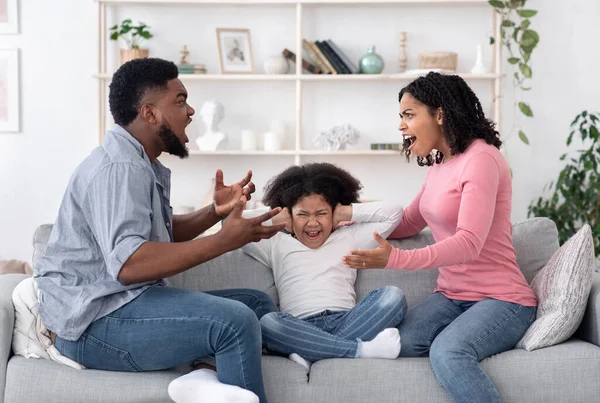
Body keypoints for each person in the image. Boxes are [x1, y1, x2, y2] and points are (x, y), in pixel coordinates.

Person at [34, 58, 286, 403]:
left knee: (255, 302)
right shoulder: (121, 168)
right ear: (149, 113)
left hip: (121, 306)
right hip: (92, 324)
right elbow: (130, 265)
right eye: (180, 101)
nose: (191, 110)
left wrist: (215, 213)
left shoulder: (138, 161)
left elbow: (159, 234)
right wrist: (224, 240)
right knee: (233, 321)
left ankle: (207, 373)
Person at [342, 72, 537, 403]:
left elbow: (468, 242)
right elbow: (407, 222)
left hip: (502, 299)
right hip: (451, 296)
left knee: (448, 352)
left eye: (409, 115)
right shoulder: (439, 165)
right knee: (396, 343)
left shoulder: (482, 159)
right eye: (400, 117)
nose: (401, 126)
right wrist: (343, 218)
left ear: (440, 113)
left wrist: (398, 259)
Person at [241, 163, 407, 371]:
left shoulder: (349, 237)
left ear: (334, 215)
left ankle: (310, 351)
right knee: (269, 323)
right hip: (298, 326)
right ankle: (360, 350)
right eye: (302, 214)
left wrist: (346, 212)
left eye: (321, 213)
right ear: (290, 217)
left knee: (393, 296)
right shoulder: (274, 243)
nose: (312, 222)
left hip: (346, 320)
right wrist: (276, 217)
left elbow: (394, 212)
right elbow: (230, 222)